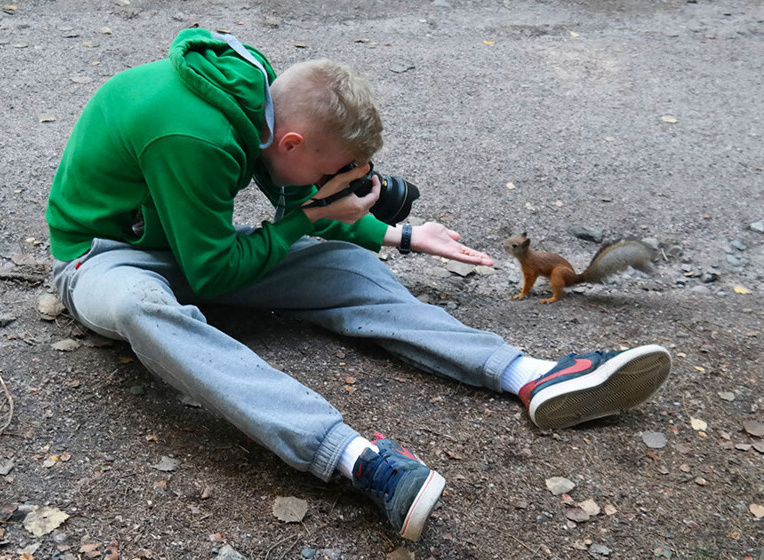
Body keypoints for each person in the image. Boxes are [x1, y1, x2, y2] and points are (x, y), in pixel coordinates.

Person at [45, 28, 672, 541]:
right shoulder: (194, 134)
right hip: (104, 260)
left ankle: (528, 372)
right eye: (339, 168)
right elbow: (216, 270)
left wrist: (395, 236)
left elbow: (289, 188)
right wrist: (311, 217)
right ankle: (351, 455)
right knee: (142, 307)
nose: (344, 178)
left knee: (343, 264)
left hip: (186, 240)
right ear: (291, 140)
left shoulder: (260, 96)